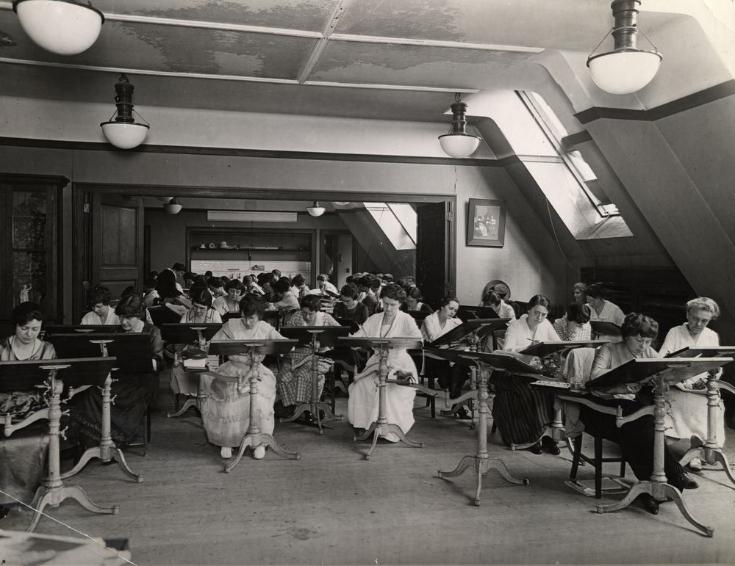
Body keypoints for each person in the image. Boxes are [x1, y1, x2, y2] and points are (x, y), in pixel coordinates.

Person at [581, 313, 698, 515]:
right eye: (639, 340)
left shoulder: (648, 352)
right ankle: (674, 476)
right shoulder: (608, 349)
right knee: (642, 426)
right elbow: (595, 377)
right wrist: (625, 381)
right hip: (601, 411)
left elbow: (664, 371)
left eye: (648, 341)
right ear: (627, 335)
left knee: (640, 427)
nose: (643, 346)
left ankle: (648, 491)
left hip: (630, 415)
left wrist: (658, 380)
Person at [71, 295, 163, 448]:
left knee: (119, 396)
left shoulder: (153, 332)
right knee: (90, 393)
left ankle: (115, 436)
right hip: (119, 378)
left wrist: (138, 361)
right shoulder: (117, 331)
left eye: (128, 318)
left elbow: (158, 364)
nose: (123, 322)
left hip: (143, 382)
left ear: (139, 315)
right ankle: (98, 437)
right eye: (121, 317)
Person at [202, 295, 285, 459]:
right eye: (244, 317)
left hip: (257, 370)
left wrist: (284, 345)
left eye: (252, 318)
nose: (247, 322)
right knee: (229, 398)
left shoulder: (265, 328)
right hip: (232, 369)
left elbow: (283, 343)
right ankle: (228, 441)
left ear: (259, 316)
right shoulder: (231, 325)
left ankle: (258, 442)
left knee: (260, 401)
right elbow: (213, 345)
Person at [0, 302, 57, 515]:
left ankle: (19, 496)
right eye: (24, 328)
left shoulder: (47, 349)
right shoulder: (2, 347)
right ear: (15, 326)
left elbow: (50, 385)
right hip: (3, 406)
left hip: (34, 410)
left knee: (22, 441)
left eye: (35, 329)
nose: (29, 334)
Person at [347, 284, 423, 441]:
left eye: (392, 305)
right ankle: (365, 425)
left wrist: (398, 343)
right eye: (385, 303)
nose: (388, 308)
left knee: (388, 390)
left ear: (400, 304)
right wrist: (351, 339)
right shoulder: (374, 319)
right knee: (360, 386)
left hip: (400, 364)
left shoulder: (406, 319)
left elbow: (418, 340)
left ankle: (387, 431)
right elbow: (359, 337)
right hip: (376, 362)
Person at [659, 297, 725, 470]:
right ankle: (688, 449)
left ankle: (703, 449)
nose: (698, 324)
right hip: (677, 385)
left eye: (704, 321)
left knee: (713, 404)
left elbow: (715, 364)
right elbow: (661, 361)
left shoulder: (711, 336)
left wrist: (710, 375)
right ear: (688, 314)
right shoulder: (675, 332)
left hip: (701, 387)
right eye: (695, 318)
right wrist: (680, 376)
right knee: (682, 405)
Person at [493, 295, 561, 454]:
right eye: (536, 313)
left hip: (536, 371)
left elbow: (557, 344)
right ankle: (531, 438)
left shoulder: (545, 324)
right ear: (529, 310)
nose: (540, 317)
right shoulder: (515, 326)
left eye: (544, 314)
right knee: (531, 392)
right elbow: (507, 351)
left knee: (553, 389)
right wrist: (527, 351)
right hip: (513, 373)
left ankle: (545, 436)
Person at [278, 295, 339, 418]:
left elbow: (339, 336)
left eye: (311, 313)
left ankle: (309, 407)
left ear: (317, 311)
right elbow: (286, 336)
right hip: (298, 355)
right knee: (284, 374)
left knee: (304, 374)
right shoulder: (296, 317)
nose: (307, 316)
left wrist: (322, 343)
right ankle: (293, 406)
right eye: (304, 312)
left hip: (321, 356)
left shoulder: (326, 319)